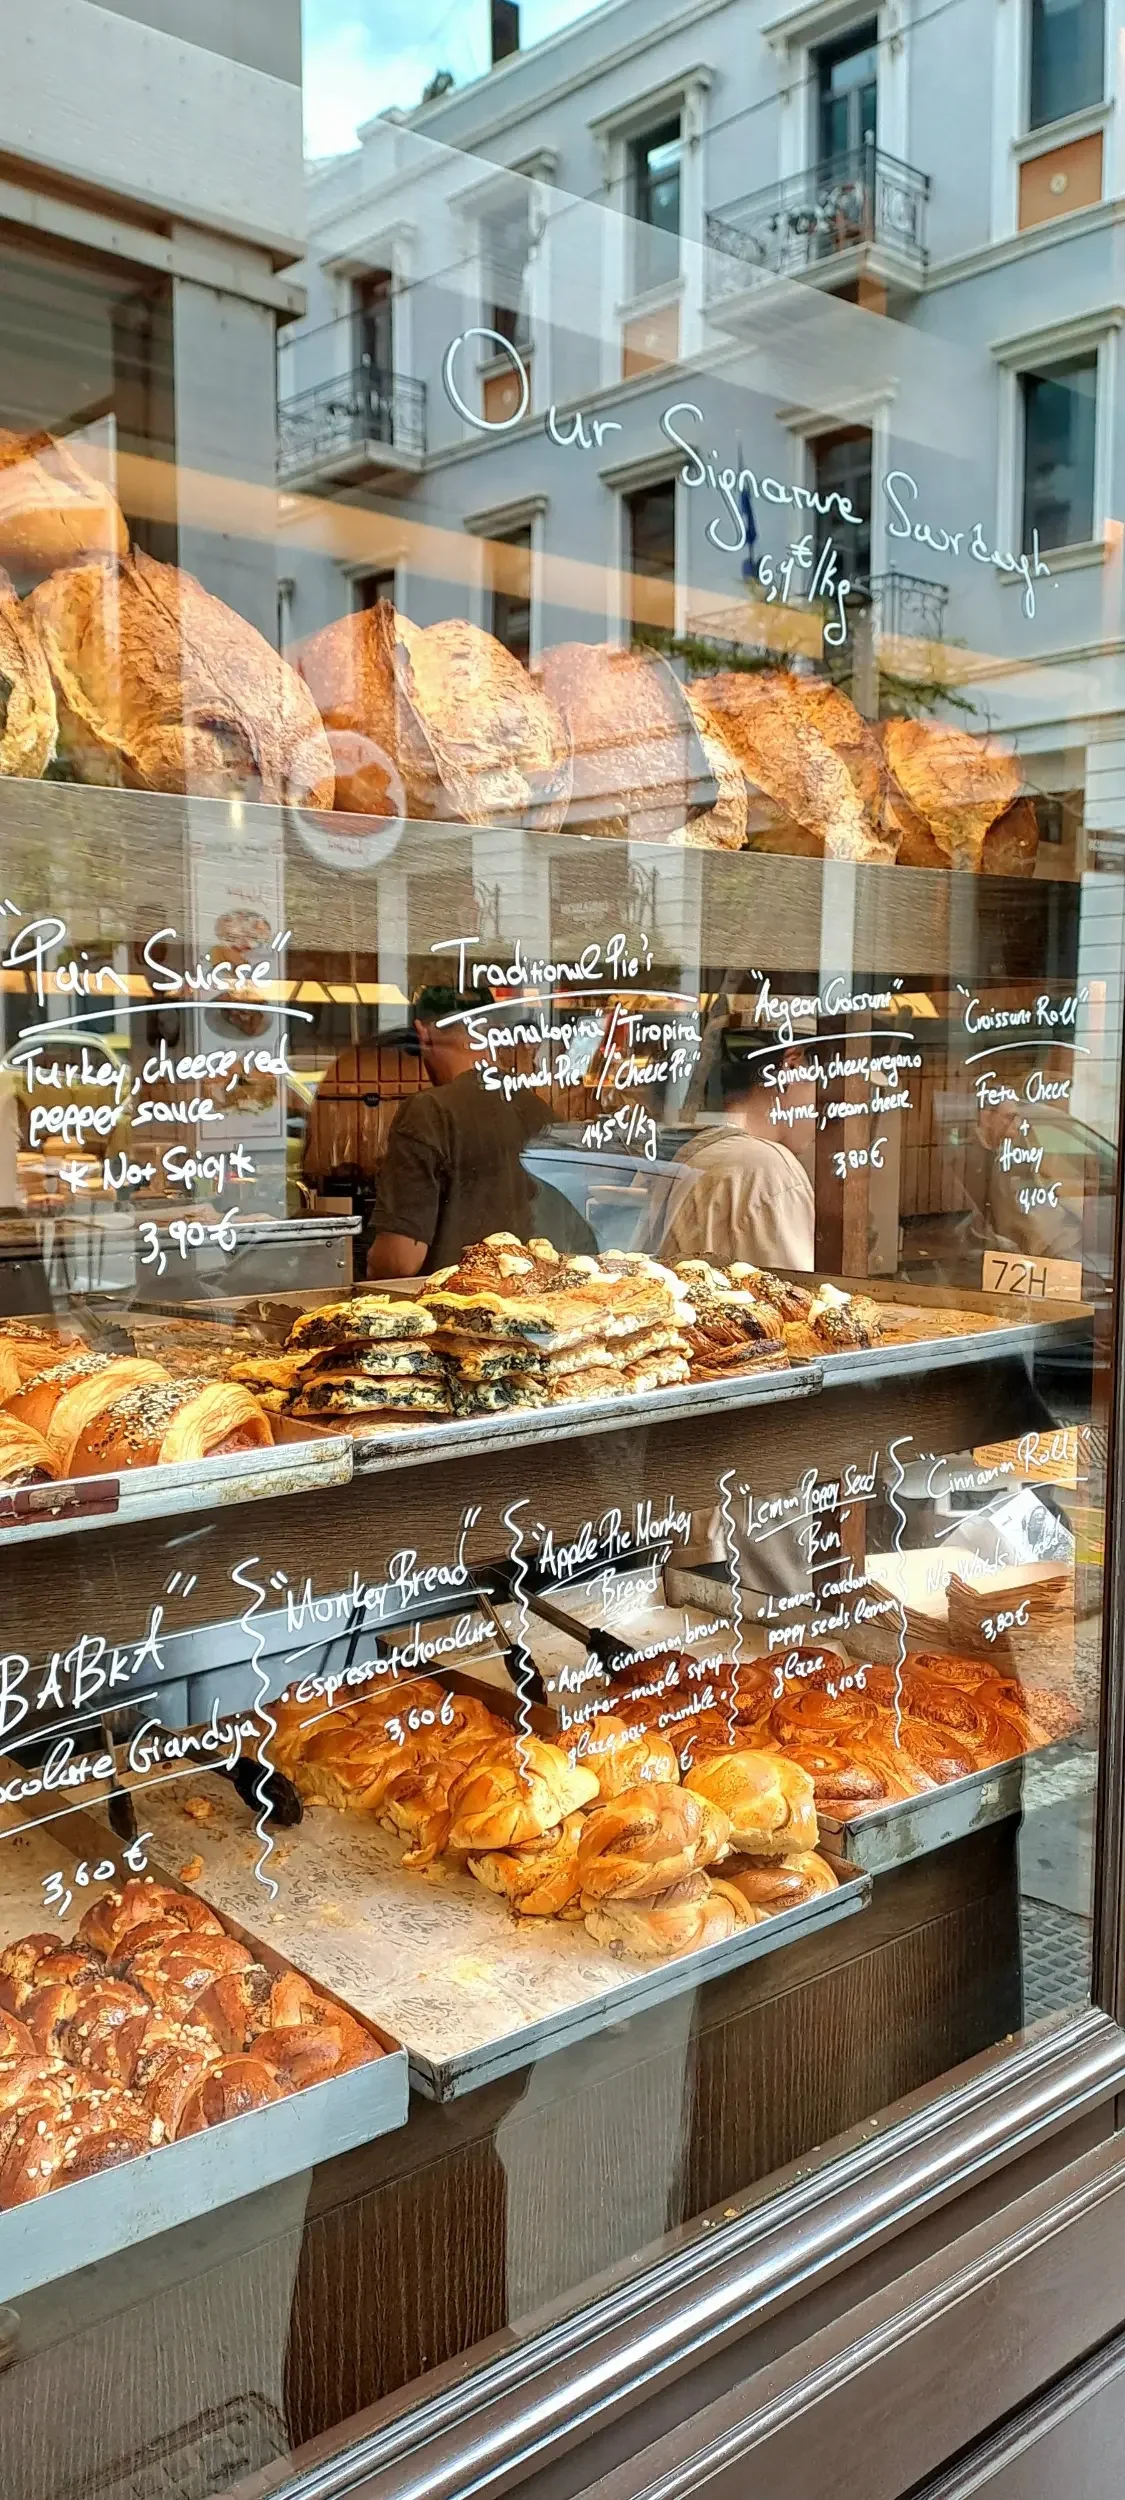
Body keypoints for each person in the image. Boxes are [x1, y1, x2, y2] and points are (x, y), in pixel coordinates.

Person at [365, 983, 592, 1277]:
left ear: (422, 1033)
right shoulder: (540, 1113)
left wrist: (363, 1267)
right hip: (538, 1305)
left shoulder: (429, 1113)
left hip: (458, 1309)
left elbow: (399, 1262)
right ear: (493, 1031)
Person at [659, 1032, 816, 1271]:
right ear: (792, 1066)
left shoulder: (691, 1143)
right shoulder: (767, 1170)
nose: (826, 1114)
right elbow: (798, 1300)